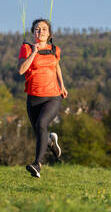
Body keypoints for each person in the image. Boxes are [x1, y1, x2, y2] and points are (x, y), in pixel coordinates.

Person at [18, 19, 68, 178]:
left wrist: (63, 85)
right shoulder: (26, 48)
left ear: (49, 33)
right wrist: (34, 51)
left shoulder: (55, 49)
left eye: (44, 29)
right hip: (33, 98)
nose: (41, 32)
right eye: (37, 29)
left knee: (41, 124)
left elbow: (57, 66)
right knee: (40, 132)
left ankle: (37, 165)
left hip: (53, 96)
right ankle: (51, 142)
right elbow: (21, 70)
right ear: (33, 33)